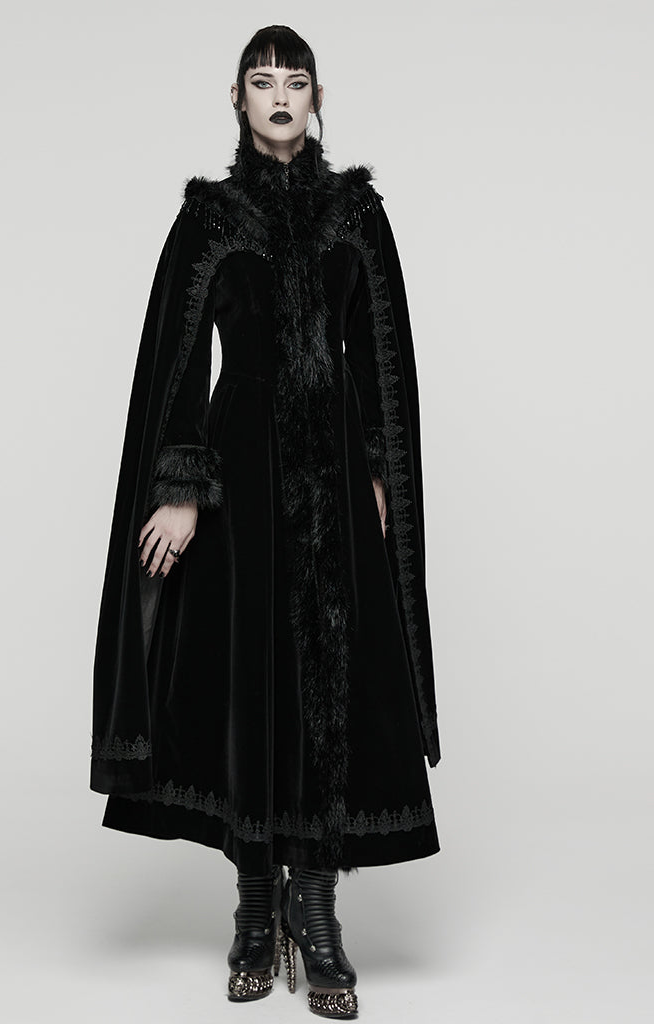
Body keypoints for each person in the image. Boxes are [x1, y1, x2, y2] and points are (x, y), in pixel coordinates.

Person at [90, 25, 442, 1019]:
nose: (279, 95)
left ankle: (315, 908)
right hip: (239, 481)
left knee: (331, 683)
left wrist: (380, 474)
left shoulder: (354, 212)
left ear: (317, 97)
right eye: (261, 81)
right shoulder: (210, 217)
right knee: (244, 680)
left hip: (334, 479)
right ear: (238, 99)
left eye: (295, 81)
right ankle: (254, 906)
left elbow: (381, 353)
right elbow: (173, 358)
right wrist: (179, 484)